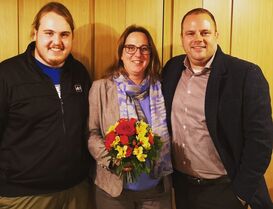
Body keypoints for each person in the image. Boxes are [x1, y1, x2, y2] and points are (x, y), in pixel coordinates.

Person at [162, 7, 273, 209]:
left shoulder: (245, 74)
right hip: (182, 188)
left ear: (216, 35)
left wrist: (240, 194)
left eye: (205, 32)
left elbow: (261, 141)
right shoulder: (172, 68)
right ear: (182, 38)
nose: (198, 39)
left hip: (225, 190)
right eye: (190, 33)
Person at [0, 2, 93, 209]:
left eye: (64, 34)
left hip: (76, 191)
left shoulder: (79, 73)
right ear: (35, 34)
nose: (56, 42)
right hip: (24, 196)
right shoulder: (7, 75)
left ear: (72, 37)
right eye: (49, 33)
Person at [88, 25, 173, 209]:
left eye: (144, 48)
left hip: (156, 191)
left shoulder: (162, 89)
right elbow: (91, 134)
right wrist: (113, 161)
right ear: (121, 53)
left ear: (150, 54)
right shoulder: (101, 88)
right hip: (114, 192)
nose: (137, 54)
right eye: (130, 48)